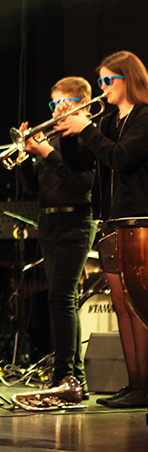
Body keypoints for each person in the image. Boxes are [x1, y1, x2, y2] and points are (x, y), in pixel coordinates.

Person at [57, 51, 148, 408]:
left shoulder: (143, 116)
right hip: (111, 221)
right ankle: (135, 383)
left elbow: (121, 157)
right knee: (121, 306)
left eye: (109, 81)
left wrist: (88, 129)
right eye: (101, 82)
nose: (103, 88)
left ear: (128, 79)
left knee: (140, 306)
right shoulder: (111, 120)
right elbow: (81, 161)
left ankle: (146, 386)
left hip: (139, 221)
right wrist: (67, 131)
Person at [19, 77, 97, 396]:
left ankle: (64, 374)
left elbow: (82, 183)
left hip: (76, 221)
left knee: (61, 297)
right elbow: (33, 187)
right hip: (49, 221)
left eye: (61, 104)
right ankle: (73, 374)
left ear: (78, 103)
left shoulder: (88, 135)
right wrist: (27, 156)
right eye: (53, 105)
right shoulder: (55, 138)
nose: (55, 112)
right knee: (63, 298)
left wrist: (47, 151)